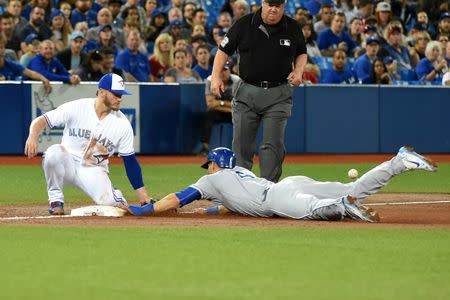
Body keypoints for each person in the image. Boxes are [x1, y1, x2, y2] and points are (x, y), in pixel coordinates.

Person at [123, 146, 437, 223]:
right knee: (347, 188)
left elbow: (178, 198)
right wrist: (210, 212)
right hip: (290, 183)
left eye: (211, 164)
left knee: (315, 210)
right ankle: (397, 162)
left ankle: (345, 209)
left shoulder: (211, 179)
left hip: (277, 200)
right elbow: (230, 207)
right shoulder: (240, 173)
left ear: (215, 164)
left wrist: (146, 210)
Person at [24, 73, 153, 215]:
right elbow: (41, 120)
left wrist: (143, 196)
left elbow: (130, 161)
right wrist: (33, 135)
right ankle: (56, 200)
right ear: (102, 92)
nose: (119, 98)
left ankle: (116, 198)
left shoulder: (122, 124)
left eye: (121, 94)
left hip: (94, 169)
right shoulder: (78, 107)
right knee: (53, 153)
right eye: (116, 94)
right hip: (67, 162)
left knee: (114, 206)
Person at [211, 0, 307, 182]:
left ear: (284, 6)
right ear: (262, 3)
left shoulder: (292, 26)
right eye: (270, 4)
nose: (274, 8)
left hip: (279, 93)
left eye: (278, 5)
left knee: (273, 146)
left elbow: (301, 51)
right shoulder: (244, 24)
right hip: (247, 91)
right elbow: (223, 50)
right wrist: (215, 76)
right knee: (241, 146)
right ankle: (240, 189)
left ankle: (268, 190)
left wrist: (299, 70)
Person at [199, 63, 239, 155]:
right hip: (219, 113)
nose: (223, 73)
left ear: (230, 71)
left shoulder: (237, 80)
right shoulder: (210, 80)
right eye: (220, 70)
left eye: (225, 70)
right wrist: (229, 108)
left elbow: (238, 104)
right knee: (208, 114)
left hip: (234, 112)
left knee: (243, 115)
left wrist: (220, 103)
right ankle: (205, 148)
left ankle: (242, 148)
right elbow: (210, 103)